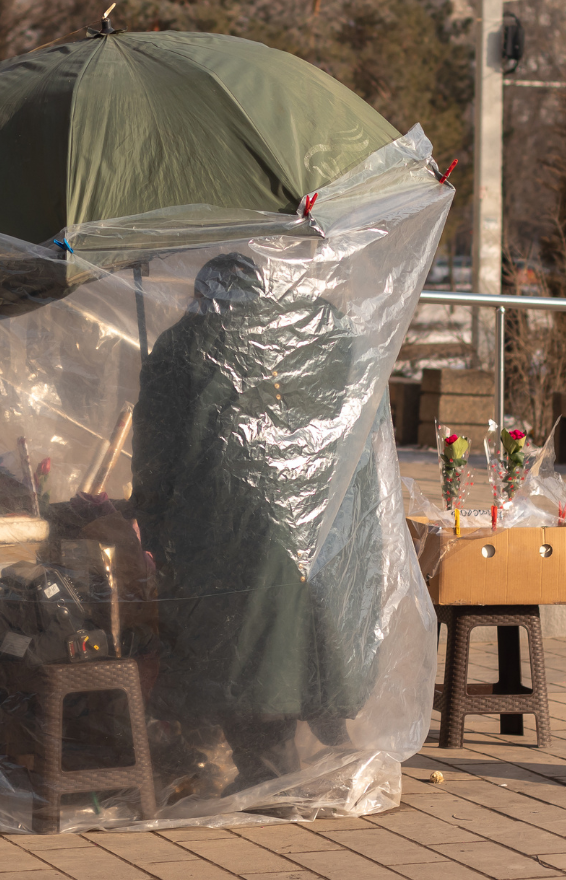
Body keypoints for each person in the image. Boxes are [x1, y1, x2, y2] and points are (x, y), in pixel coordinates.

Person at [131, 252, 383, 793]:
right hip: (331, 535)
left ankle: (271, 779)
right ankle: (327, 756)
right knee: (310, 650)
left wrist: (151, 531)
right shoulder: (331, 334)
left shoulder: (185, 346)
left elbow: (155, 462)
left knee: (247, 662)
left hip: (232, 537)